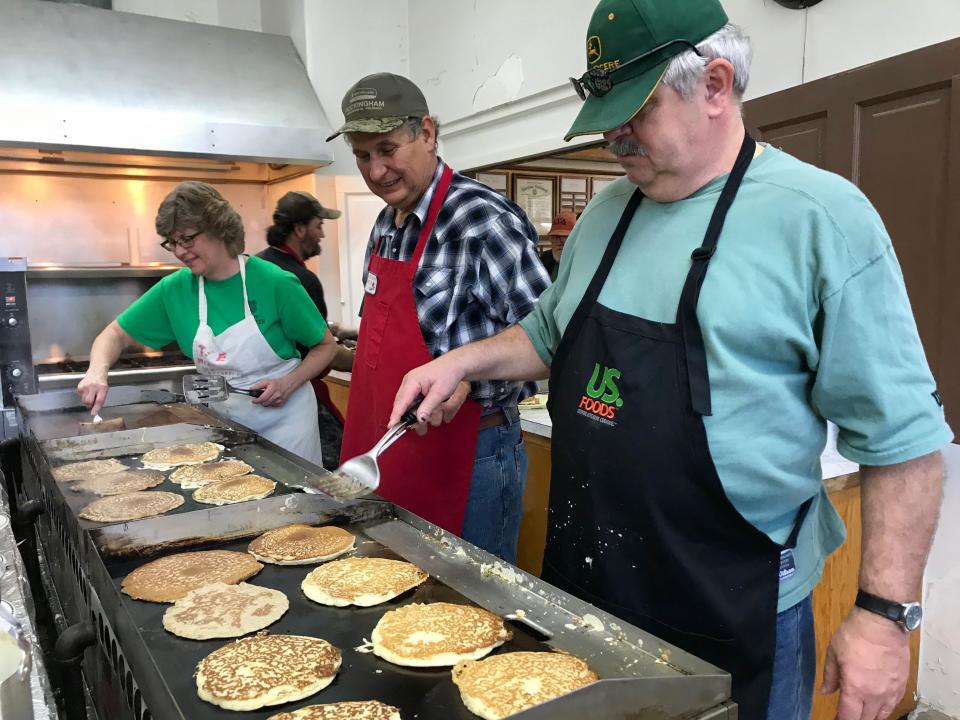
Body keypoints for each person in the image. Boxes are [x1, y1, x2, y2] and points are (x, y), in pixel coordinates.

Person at [388, 1, 952, 718]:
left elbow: (904, 443)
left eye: (637, 109)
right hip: (587, 585)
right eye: (605, 110)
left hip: (734, 605)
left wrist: (881, 616)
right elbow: (547, 335)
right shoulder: (604, 214)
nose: (613, 134)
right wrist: (463, 363)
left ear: (716, 85)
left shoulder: (821, 219)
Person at [327, 72, 550, 563]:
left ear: (426, 133)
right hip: (391, 453)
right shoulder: (386, 224)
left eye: (387, 149)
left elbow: (550, 342)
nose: (376, 170)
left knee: (473, 610)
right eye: (362, 155)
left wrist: (470, 376)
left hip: (470, 456)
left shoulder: (481, 219)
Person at [78, 181, 337, 466]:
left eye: (187, 239)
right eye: (171, 242)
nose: (178, 251)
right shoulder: (174, 290)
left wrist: (288, 383)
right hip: (224, 424)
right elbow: (114, 334)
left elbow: (325, 346)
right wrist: (96, 372)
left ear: (219, 228)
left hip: (286, 425)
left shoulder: (274, 282)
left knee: (293, 505)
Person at [258, 190, 355, 469]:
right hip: (299, 395)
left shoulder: (259, 266)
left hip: (264, 399)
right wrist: (364, 363)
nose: (322, 234)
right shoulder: (300, 279)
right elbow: (325, 352)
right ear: (300, 229)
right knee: (340, 476)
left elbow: (285, 326)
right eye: (319, 225)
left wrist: (338, 329)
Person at [538, 210, 577, 282]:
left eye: (565, 237)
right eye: (555, 237)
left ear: (576, 238)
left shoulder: (582, 262)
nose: (559, 242)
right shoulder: (544, 260)